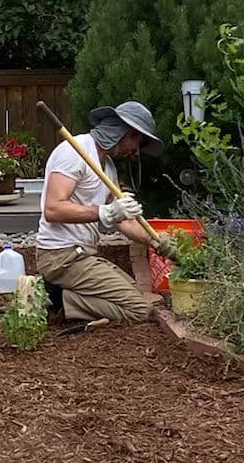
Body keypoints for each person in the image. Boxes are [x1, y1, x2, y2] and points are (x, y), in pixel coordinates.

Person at [35, 102, 161, 326]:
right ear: (128, 133)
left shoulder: (108, 167)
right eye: (138, 142)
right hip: (60, 258)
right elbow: (53, 209)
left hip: (83, 256)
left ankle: (62, 295)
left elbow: (122, 221)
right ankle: (56, 300)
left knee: (134, 293)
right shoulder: (74, 151)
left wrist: (156, 241)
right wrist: (106, 212)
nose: (136, 152)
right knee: (140, 310)